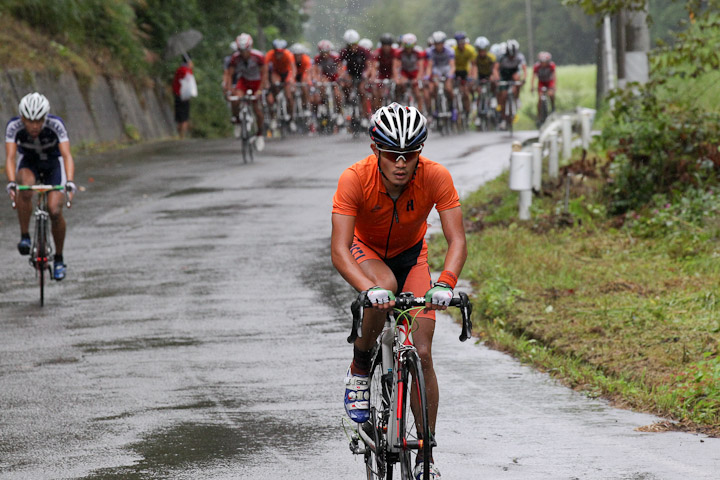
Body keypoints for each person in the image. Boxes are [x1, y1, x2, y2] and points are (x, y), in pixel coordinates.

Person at [332, 103, 467, 480]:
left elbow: (457, 240)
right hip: (367, 252)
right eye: (392, 154)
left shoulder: (436, 176)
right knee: (384, 287)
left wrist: (446, 283)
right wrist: (366, 288)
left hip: (413, 257)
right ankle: (360, 366)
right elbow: (339, 250)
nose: (401, 163)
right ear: (377, 149)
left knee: (422, 352)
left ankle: (426, 454)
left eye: (411, 154)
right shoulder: (354, 178)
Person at [5, 93, 76, 280]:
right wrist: (12, 183)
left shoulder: (56, 125)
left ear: (45, 118)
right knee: (25, 187)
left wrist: (69, 183)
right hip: (29, 164)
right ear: (22, 118)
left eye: (39, 120)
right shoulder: (14, 127)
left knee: (54, 210)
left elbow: (67, 155)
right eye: (29, 121)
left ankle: (59, 259)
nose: (35, 125)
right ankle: (25, 236)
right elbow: (11, 158)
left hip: (53, 165)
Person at [223, 32, 267, 151]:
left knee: (257, 110)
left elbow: (264, 74)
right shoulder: (235, 58)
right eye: (241, 50)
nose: (243, 53)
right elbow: (229, 74)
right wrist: (228, 89)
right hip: (244, 81)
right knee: (235, 99)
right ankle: (237, 120)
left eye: (245, 50)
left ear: (250, 47)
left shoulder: (258, 56)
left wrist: (260, 90)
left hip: (257, 82)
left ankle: (259, 135)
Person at [339, 29, 373, 126]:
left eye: (354, 44)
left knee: (362, 91)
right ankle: (348, 101)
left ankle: (366, 116)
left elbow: (369, 66)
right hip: (350, 73)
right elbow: (340, 66)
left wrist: (366, 74)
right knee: (346, 85)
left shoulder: (363, 51)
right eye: (350, 45)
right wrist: (341, 76)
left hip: (362, 73)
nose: (352, 47)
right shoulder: (344, 52)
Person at [265, 38, 298, 132]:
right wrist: (267, 82)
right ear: (274, 50)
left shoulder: (288, 54)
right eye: (277, 52)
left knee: (288, 96)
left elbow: (293, 69)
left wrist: (292, 79)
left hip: (287, 73)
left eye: (281, 52)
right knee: (274, 85)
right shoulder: (269, 54)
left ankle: (291, 119)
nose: (279, 55)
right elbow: (265, 70)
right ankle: (274, 116)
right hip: (276, 73)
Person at [494, 38, 527, 129]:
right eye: (509, 55)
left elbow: (524, 69)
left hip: (513, 74)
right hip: (504, 75)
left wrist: (524, 79)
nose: (511, 57)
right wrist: (497, 78)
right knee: (504, 95)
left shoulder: (520, 56)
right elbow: (495, 69)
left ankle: (516, 98)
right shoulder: (501, 57)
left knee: (517, 79)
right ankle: (504, 118)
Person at [311, 39, 345, 126]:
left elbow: (340, 68)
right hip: (325, 77)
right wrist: (315, 80)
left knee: (337, 95)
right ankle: (323, 103)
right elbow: (315, 70)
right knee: (322, 86)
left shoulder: (335, 57)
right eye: (322, 52)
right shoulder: (317, 58)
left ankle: (339, 112)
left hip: (335, 77)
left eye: (326, 52)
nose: (324, 54)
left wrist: (340, 78)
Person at [424, 31, 455, 121]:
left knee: (448, 89)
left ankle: (452, 108)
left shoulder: (449, 50)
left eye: (440, 43)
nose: (438, 46)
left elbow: (452, 65)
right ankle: (437, 108)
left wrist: (450, 76)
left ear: (443, 43)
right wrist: (427, 76)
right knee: (435, 87)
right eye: (436, 44)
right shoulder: (431, 51)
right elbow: (430, 66)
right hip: (437, 69)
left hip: (447, 68)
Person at [395, 33, 427, 113]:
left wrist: (418, 78)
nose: (409, 49)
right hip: (404, 72)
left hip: (414, 73)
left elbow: (421, 68)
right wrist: (397, 78)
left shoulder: (418, 53)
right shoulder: (399, 53)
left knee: (418, 94)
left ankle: (420, 113)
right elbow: (396, 67)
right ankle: (399, 102)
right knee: (400, 85)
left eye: (411, 46)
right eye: (407, 46)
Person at [369, 33, 399, 112]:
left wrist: (395, 77)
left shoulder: (395, 52)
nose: (386, 47)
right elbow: (374, 67)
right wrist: (373, 77)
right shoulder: (377, 52)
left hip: (392, 74)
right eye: (384, 45)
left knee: (397, 90)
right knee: (379, 94)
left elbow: (395, 66)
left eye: (388, 45)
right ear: (381, 45)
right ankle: (378, 111)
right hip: (381, 75)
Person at [451, 31, 477, 116]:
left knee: (465, 92)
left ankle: (467, 111)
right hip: (455, 71)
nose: (461, 44)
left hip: (465, 72)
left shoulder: (470, 50)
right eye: (459, 43)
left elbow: (473, 65)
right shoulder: (453, 50)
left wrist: (473, 76)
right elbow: (450, 64)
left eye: (462, 42)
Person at [530, 51, 557, 123]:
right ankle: (539, 116)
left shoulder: (551, 66)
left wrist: (554, 86)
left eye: (545, 62)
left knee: (551, 94)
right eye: (542, 62)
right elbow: (533, 77)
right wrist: (532, 87)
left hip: (549, 82)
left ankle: (553, 107)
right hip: (541, 82)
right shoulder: (537, 67)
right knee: (540, 98)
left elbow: (554, 76)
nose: (544, 64)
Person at [172, 55, 195, 138]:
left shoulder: (179, 70)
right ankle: (183, 136)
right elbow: (190, 85)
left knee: (179, 116)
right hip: (184, 96)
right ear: (188, 62)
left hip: (177, 95)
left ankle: (179, 135)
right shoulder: (187, 71)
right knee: (184, 117)